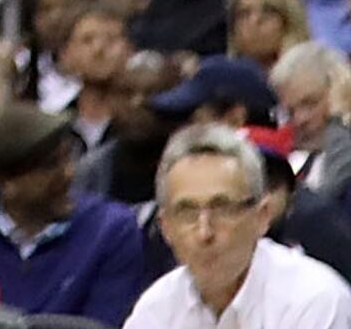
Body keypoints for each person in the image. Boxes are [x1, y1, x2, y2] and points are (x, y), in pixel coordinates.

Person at [124, 123, 351, 329]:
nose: (204, 233)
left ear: (262, 217)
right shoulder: (155, 310)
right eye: (187, 212)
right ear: (166, 228)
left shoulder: (313, 300)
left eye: (223, 209)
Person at [0, 106, 152, 325]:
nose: (68, 173)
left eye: (68, 157)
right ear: (6, 182)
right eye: (50, 166)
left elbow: (105, 324)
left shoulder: (111, 230)